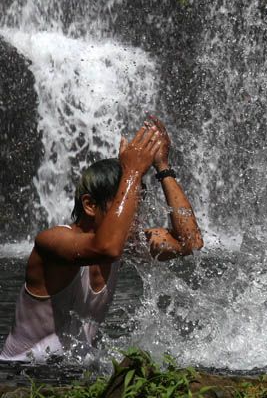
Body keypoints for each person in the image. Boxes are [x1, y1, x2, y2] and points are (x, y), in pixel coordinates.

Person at [0, 117, 204, 362]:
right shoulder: (52, 242)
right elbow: (106, 248)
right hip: (22, 377)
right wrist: (132, 172)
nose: (136, 221)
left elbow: (190, 242)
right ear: (89, 205)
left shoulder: (124, 244)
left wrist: (163, 167)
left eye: (136, 210)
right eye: (128, 209)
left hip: (72, 376)